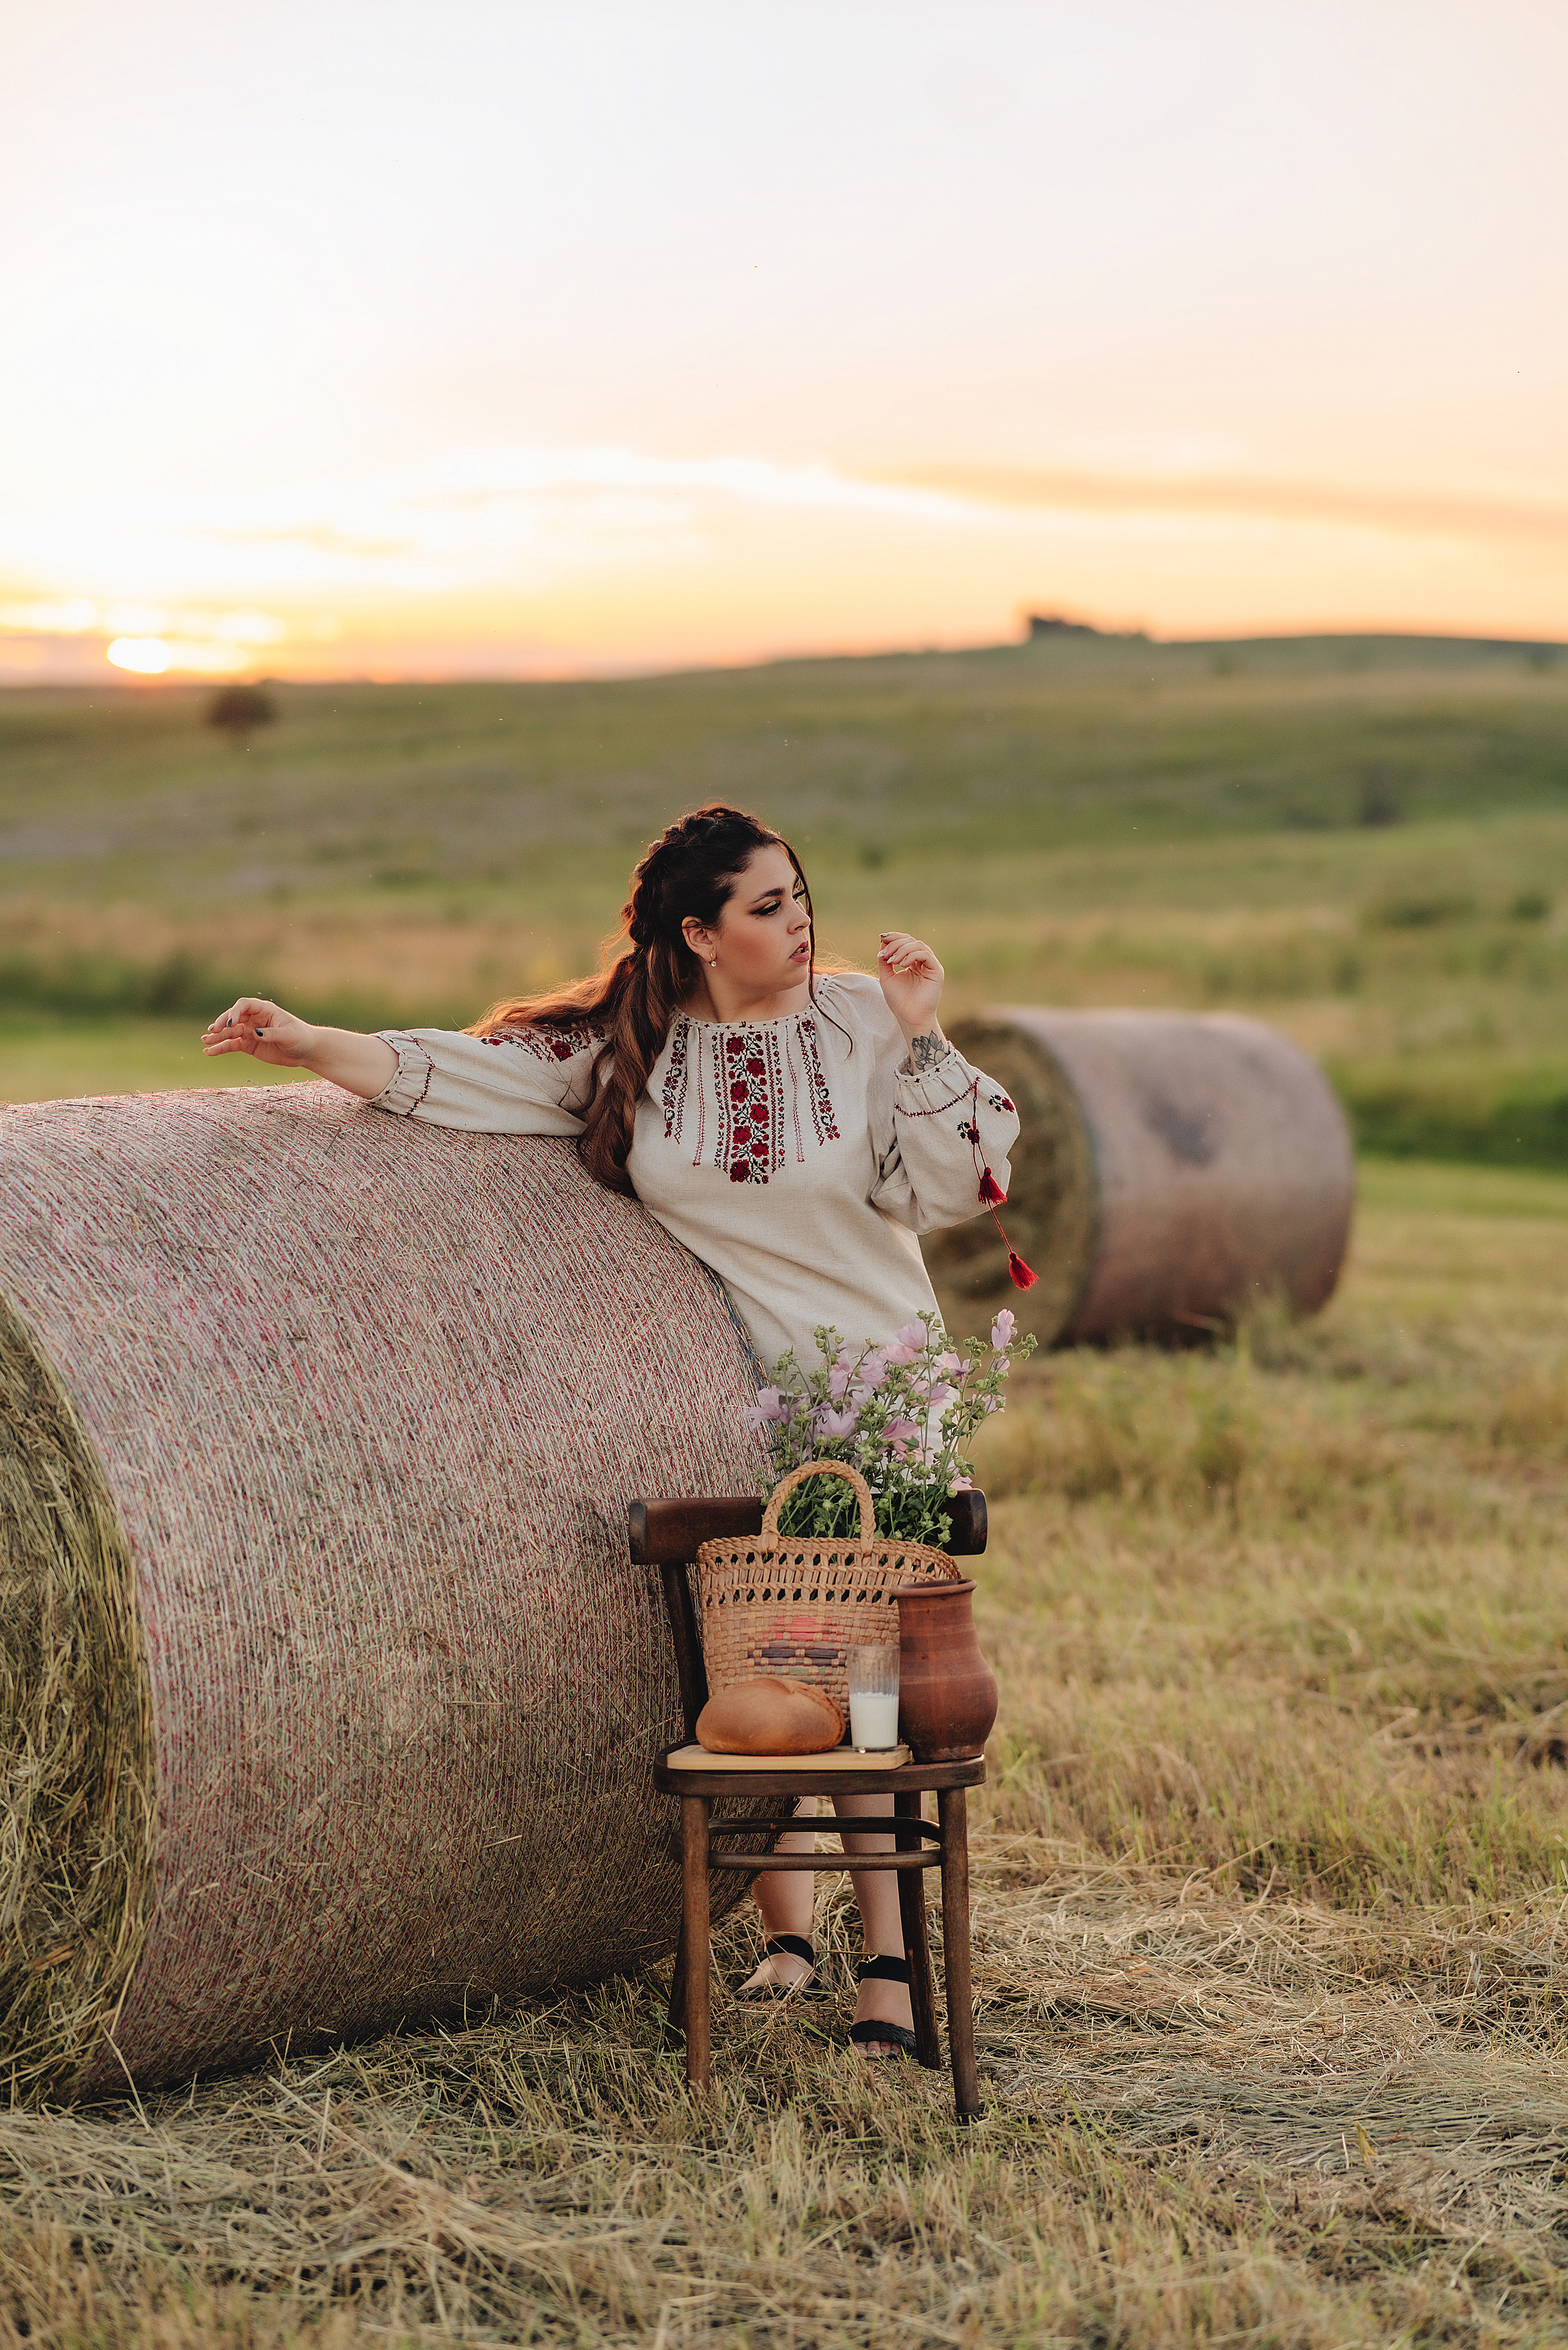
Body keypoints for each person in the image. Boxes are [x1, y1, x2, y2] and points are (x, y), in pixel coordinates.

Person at [202, 802, 1021, 2058]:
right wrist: (309, 1040)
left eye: (801, 897)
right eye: (767, 906)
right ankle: (787, 1936)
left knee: (860, 1690)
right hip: (716, 1392)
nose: (801, 924)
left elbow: (957, 1187)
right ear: (698, 933)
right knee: (751, 1678)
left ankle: (892, 1973)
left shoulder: (862, 1019)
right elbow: (470, 1075)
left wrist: (921, 1031)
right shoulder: (629, 1043)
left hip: (871, 1397)